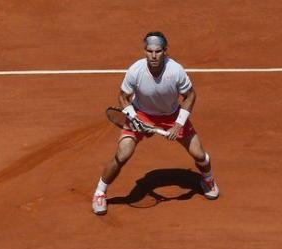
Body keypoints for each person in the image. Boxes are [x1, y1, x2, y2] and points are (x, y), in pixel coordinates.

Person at [92, 31, 219, 215]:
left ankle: (207, 180)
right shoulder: (135, 70)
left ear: (165, 51)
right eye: (149, 51)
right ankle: (99, 193)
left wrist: (178, 123)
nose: (153, 56)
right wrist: (132, 116)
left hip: (171, 116)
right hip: (141, 114)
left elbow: (190, 95)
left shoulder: (175, 71)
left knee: (199, 155)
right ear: (144, 51)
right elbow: (123, 96)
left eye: (158, 51)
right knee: (122, 154)